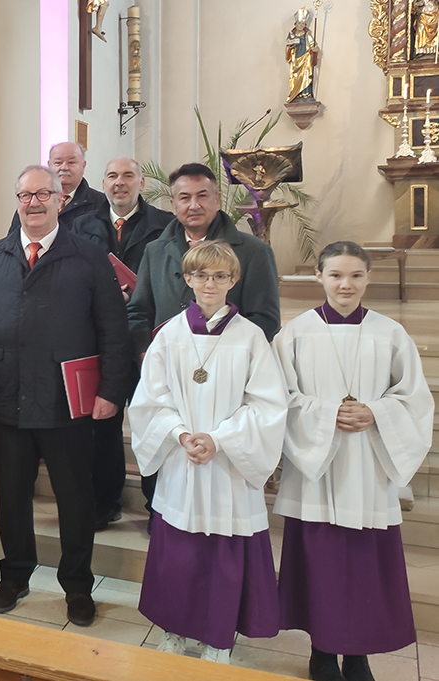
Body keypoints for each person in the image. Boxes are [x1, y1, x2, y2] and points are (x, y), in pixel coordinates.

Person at [0, 166, 131, 626]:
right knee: (11, 497)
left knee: (75, 499)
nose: (33, 202)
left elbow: (113, 330)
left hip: (68, 405)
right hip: (10, 398)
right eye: (24, 195)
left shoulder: (90, 256)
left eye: (42, 194)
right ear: (15, 200)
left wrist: (112, 390)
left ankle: (77, 585)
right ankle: (14, 575)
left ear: (60, 198)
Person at [273, 242, 433, 681]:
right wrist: (326, 415)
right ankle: (322, 650)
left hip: (367, 465)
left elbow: (414, 399)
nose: (346, 284)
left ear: (368, 278)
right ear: (319, 277)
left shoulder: (390, 333)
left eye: (356, 275)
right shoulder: (294, 334)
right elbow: (277, 399)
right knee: (320, 562)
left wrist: (376, 412)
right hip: (317, 468)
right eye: (336, 275)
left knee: (364, 566)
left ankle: (357, 653)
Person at [129, 241, 287, 664]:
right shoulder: (170, 335)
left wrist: (220, 440)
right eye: (201, 275)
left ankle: (219, 638)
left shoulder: (251, 338)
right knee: (178, 554)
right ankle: (175, 631)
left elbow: (269, 405)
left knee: (223, 556)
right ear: (188, 279)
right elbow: (149, 399)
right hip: (183, 460)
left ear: (233, 281)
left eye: (220, 276)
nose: (210, 283)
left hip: (228, 466)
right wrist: (180, 435)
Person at [127, 163, 280, 526]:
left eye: (201, 196)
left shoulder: (253, 251)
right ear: (174, 203)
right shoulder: (156, 249)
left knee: (220, 469)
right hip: (171, 372)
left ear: (217, 199)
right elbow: (138, 312)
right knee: (171, 454)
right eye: (184, 198)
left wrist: (227, 355)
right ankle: (161, 513)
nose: (193, 205)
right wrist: (146, 352)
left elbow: (266, 318)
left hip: (228, 383)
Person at [70, 157, 170, 530]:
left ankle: (156, 504)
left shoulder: (164, 225)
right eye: (112, 176)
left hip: (149, 343)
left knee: (152, 425)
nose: (120, 183)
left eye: (128, 176)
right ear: (104, 183)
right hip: (102, 342)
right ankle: (105, 502)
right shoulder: (80, 226)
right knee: (104, 426)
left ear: (141, 183)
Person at [7, 142, 107, 235]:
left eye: (71, 162)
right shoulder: (31, 201)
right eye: (58, 163)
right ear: (49, 165)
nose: (64, 168)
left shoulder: (101, 203)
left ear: (83, 165)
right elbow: (13, 240)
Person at [286, 7, 319, 102]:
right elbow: (288, 49)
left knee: (306, 74)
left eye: (303, 24)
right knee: (295, 76)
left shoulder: (307, 35)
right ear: (295, 24)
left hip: (305, 58)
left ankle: (306, 93)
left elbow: (313, 45)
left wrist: (315, 49)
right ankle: (296, 95)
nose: (301, 25)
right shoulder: (291, 36)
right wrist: (290, 47)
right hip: (295, 60)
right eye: (299, 23)